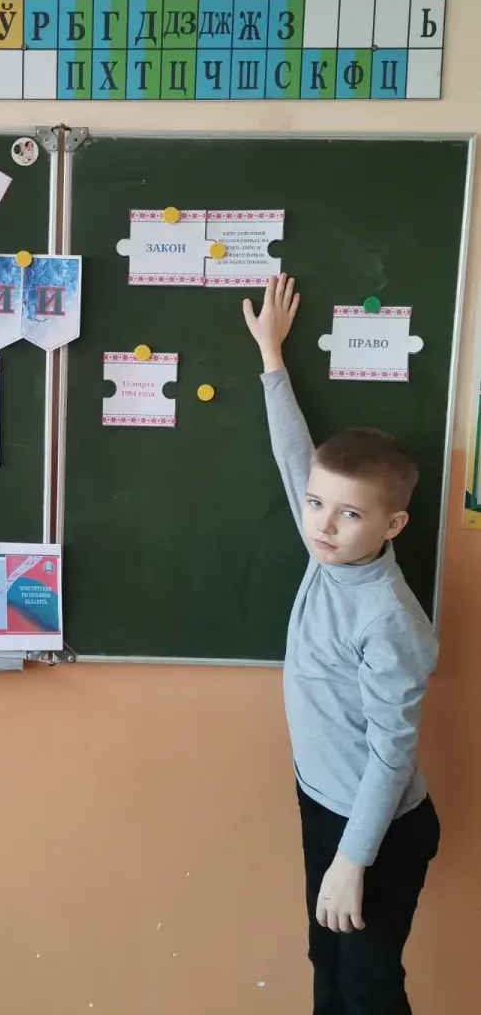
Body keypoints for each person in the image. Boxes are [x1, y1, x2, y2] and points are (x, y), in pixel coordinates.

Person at [243, 274, 440, 1015]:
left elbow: (392, 753)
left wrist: (353, 860)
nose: (323, 525)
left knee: (368, 990)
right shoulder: (327, 551)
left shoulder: (387, 620)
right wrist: (272, 356)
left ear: (392, 525)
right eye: (316, 505)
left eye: (350, 513)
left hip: (378, 826)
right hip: (323, 799)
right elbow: (295, 457)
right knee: (326, 962)